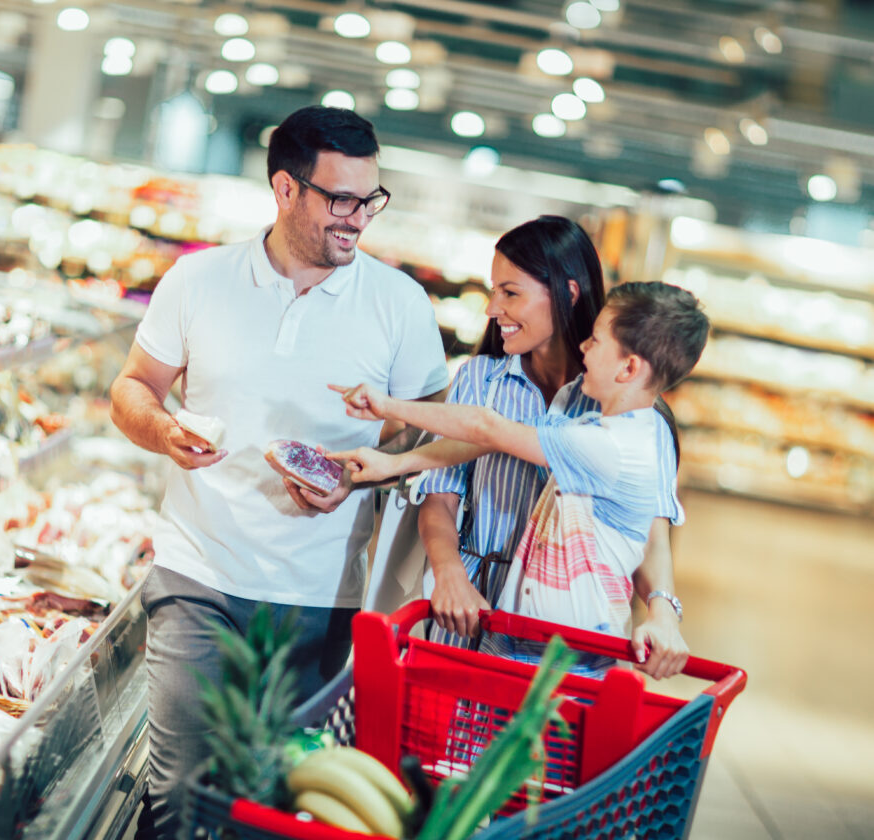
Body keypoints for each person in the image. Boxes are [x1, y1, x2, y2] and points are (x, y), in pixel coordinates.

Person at [109, 105, 449, 840]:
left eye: (370, 200)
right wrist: (166, 432)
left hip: (322, 596)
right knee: (179, 791)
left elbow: (426, 434)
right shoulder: (198, 280)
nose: (358, 219)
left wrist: (363, 475)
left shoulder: (400, 306)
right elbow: (132, 387)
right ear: (286, 189)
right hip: (197, 575)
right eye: (340, 199)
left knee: (272, 800)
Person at [330, 281, 710, 675]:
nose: (583, 347)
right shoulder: (607, 427)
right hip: (531, 644)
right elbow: (491, 441)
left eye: (596, 342)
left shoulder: (606, 446)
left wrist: (387, 405)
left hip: (555, 665)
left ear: (629, 367)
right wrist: (393, 464)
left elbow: (486, 428)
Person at [388, 216, 687, 678]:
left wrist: (663, 611)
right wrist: (449, 574)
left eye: (510, 293)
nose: (492, 308)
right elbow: (440, 496)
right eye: (494, 291)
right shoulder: (480, 379)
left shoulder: (635, 419)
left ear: (567, 293)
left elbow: (649, 534)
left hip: (562, 642)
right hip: (466, 613)